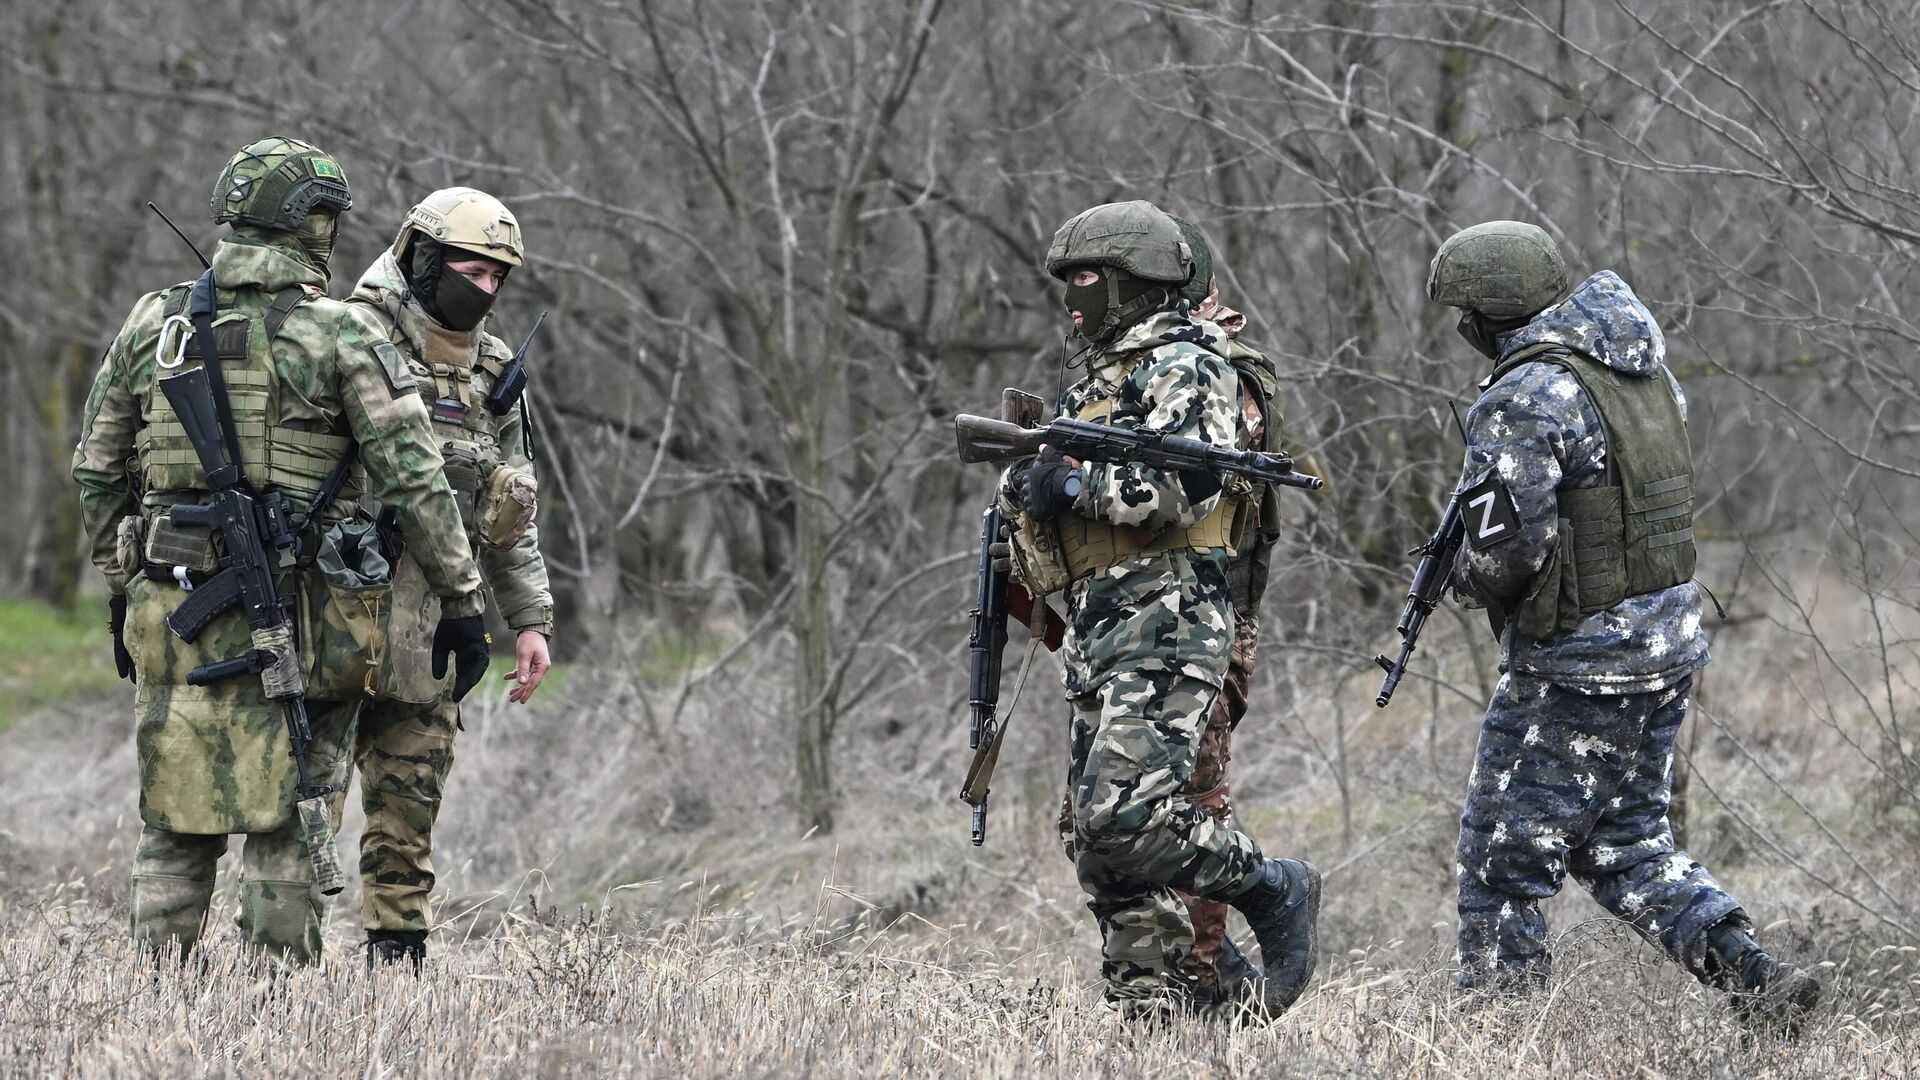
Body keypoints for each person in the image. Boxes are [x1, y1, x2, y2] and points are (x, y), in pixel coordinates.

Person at [73, 136, 492, 965]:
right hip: (299, 612)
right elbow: (416, 481)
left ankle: (159, 997)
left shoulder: (156, 325)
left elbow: (97, 469)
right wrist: (465, 600)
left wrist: (123, 582)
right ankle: (271, 1001)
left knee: (174, 816)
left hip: (172, 603)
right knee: (291, 813)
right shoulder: (338, 335)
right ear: (318, 226)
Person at [1428, 220, 1822, 1027]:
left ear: (1486, 313)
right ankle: (1755, 980)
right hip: (1666, 644)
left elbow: (1510, 552)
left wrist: (1464, 576)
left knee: (1502, 859)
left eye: (1463, 310)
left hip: (1578, 662)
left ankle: (1496, 1039)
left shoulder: (1525, 394)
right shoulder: (1643, 374)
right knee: (1628, 842)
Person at [1008, 199, 1319, 1018]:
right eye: (1067, 279)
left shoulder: (1186, 360)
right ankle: (1155, 1014)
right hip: (1102, 624)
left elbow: (1188, 484)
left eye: (1087, 279)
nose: (1074, 296)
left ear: (1131, 281)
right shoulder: (1103, 375)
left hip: (1170, 619)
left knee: (1128, 815)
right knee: (1103, 852)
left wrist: (1073, 483)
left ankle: (1272, 885)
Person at [345, 187, 555, 969]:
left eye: (501, 278)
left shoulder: (496, 369)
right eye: (472, 270)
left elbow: (511, 506)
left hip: (437, 628)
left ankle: (396, 962)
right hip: (337, 616)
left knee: (409, 809)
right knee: (303, 808)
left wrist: (529, 621)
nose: (486, 290)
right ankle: (273, 969)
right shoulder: (349, 339)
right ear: (422, 257)